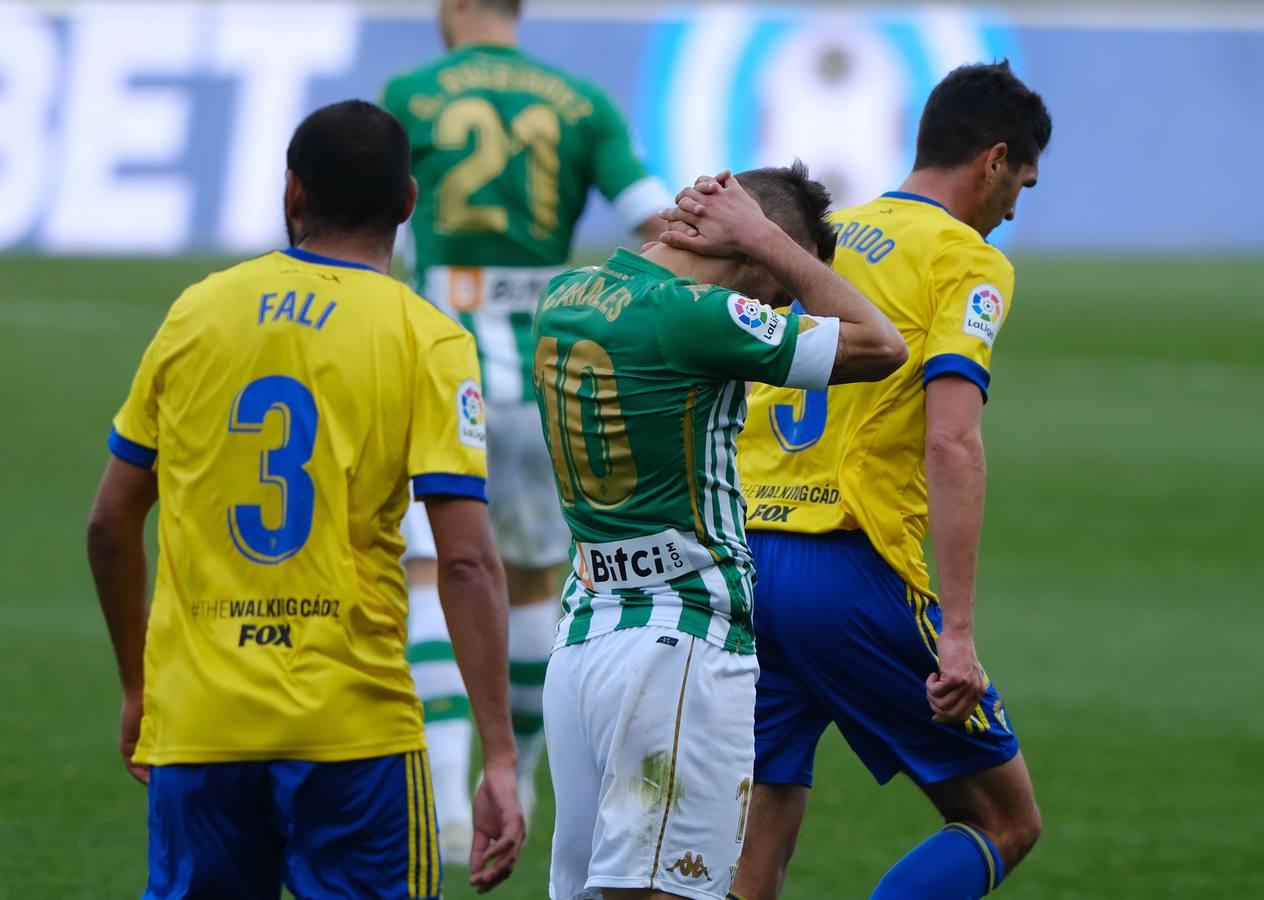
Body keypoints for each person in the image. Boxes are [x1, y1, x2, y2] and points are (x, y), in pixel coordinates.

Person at [86, 99, 524, 899]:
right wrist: (499, 755)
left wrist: (137, 687)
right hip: (353, 731)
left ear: (292, 193)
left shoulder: (196, 311)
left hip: (201, 725)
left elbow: (111, 520)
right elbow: (462, 561)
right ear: (407, 204)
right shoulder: (427, 337)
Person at [707, 63, 1052, 899]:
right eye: (1022, 185)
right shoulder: (967, 261)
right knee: (1005, 821)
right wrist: (958, 631)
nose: (1014, 208)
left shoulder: (817, 235)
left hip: (749, 563)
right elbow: (954, 441)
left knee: (756, 848)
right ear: (994, 160)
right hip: (849, 573)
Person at [536, 163, 908, 900]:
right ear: (745, 256)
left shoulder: (565, 293)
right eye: (767, 297)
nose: (766, 311)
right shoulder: (694, 316)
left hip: (581, 642)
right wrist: (772, 243)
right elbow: (881, 344)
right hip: (675, 649)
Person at [381, 0, 673, 852]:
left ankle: (439, 804)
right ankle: (526, 782)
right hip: (552, 364)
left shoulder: (412, 92)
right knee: (539, 575)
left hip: (443, 364)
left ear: (459, 6)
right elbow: (657, 220)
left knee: (432, 567)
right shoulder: (581, 102)